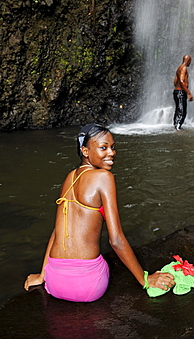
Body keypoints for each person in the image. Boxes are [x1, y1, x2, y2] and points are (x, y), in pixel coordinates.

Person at [24, 123, 175, 302]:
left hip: (54, 282)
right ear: (85, 151)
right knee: (107, 264)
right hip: (87, 287)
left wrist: (43, 275)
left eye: (112, 147)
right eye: (103, 148)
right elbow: (116, 240)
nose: (111, 153)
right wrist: (145, 280)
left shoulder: (70, 177)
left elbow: (57, 231)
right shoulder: (104, 178)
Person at [173, 55, 193, 130]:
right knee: (182, 112)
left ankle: (175, 125)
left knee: (178, 109)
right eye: (190, 61)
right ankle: (178, 128)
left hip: (176, 91)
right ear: (188, 61)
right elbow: (181, 81)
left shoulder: (179, 68)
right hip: (181, 92)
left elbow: (175, 81)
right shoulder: (184, 68)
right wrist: (188, 93)